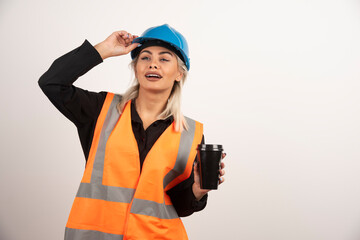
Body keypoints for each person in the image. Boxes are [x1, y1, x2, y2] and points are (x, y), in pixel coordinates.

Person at [38, 24, 226, 240]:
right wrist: (103, 49)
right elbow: (52, 83)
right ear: (136, 68)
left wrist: (198, 189)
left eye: (164, 59)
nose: (153, 64)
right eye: (145, 58)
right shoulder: (100, 110)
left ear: (179, 74)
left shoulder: (191, 133)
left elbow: (180, 206)